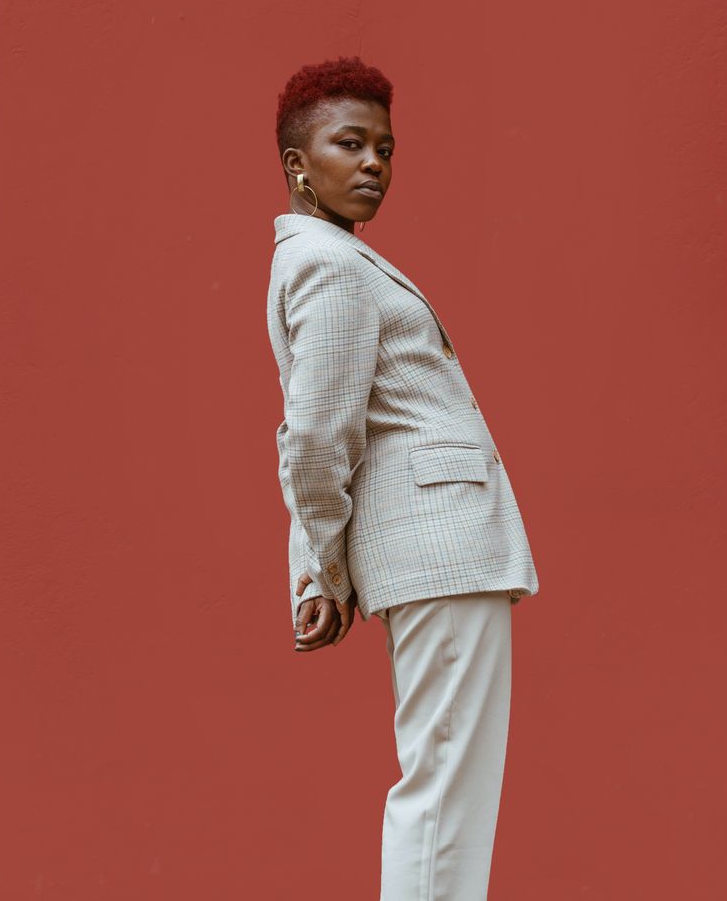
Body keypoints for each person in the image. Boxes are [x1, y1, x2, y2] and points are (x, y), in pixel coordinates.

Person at [266, 55, 540, 901]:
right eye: (350, 144)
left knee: (447, 783)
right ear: (298, 167)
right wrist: (321, 564)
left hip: (431, 554)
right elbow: (316, 436)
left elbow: (320, 430)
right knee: (445, 787)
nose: (375, 163)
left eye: (385, 146)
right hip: (441, 550)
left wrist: (318, 568)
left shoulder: (334, 259)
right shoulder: (333, 266)